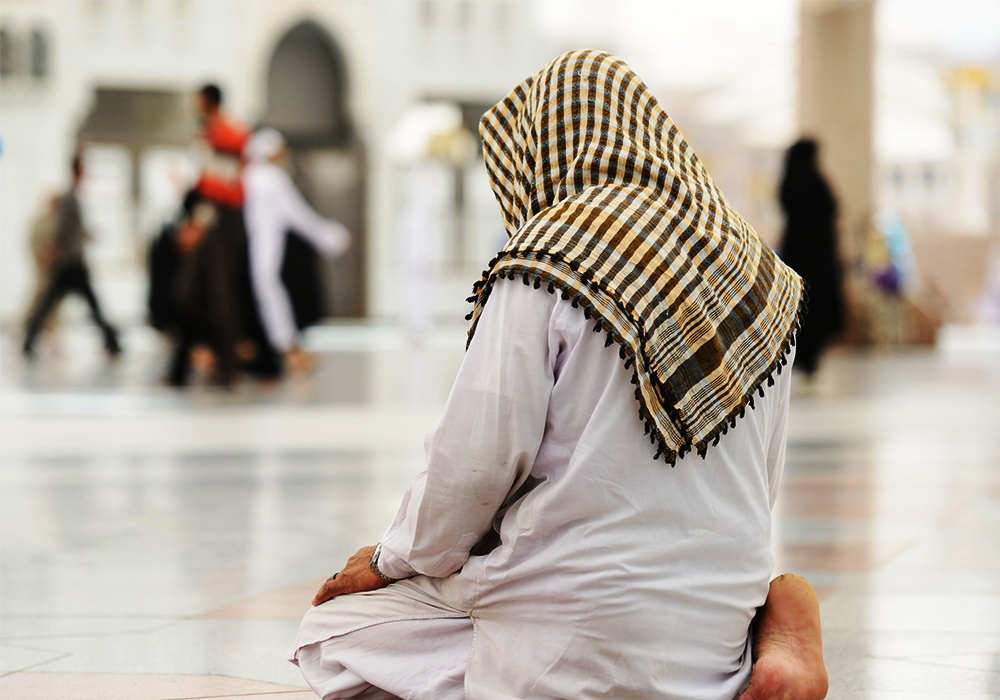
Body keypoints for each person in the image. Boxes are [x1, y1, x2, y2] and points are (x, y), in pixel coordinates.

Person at [288, 51, 828, 700]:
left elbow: (472, 467)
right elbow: (759, 485)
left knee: (335, 631)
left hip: (571, 642)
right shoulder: (760, 271)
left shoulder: (549, 255)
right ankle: (764, 644)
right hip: (711, 636)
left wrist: (391, 559)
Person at [242, 129, 350, 372]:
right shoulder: (271, 179)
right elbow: (299, 217)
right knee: (269, 288)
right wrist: (333, 238)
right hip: (265, 247)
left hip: (251, 247)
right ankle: (288, 347)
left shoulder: (249, 176)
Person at [23, 155, 120, 357]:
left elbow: (74, 229)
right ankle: (111, 339)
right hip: (70, 263)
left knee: (53, 302)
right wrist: (52, 254)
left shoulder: (74, 197)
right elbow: (60, 231)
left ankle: (30, 336)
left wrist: (88, 234)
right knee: (59, 303)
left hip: (73, 261)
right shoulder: (69, 198)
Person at [779, 139, 845, 376]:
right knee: (814, 309)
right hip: (817, 261)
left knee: (804, 309)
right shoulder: (816, 184)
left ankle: (803, 356)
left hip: (799, 258)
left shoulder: (792, 183)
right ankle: (808, 358)